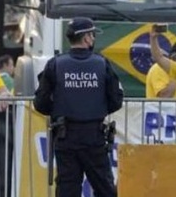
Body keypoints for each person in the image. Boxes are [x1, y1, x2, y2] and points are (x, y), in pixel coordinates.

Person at [33, 17, 123, 197]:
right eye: (92, 35)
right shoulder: (102, 64)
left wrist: (60, 110)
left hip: (66, 135)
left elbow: (40, 102)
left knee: (67, 188)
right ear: (87, 38)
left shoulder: (55, 64)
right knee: (104, 188)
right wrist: (95, 108)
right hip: (94, 136)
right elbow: (116, 100)